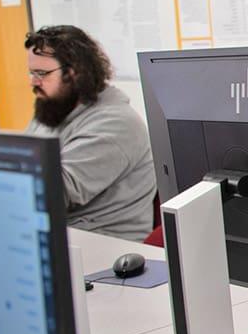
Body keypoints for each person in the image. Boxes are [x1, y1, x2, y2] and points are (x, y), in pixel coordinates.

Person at [24, 25, 156, 241]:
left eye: (42, 73)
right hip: (61, 236)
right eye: (31, 72)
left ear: (75, 72)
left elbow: (54, 192)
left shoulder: (116, 123)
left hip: (103, 249)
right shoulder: (53, 109)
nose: (33, 82)